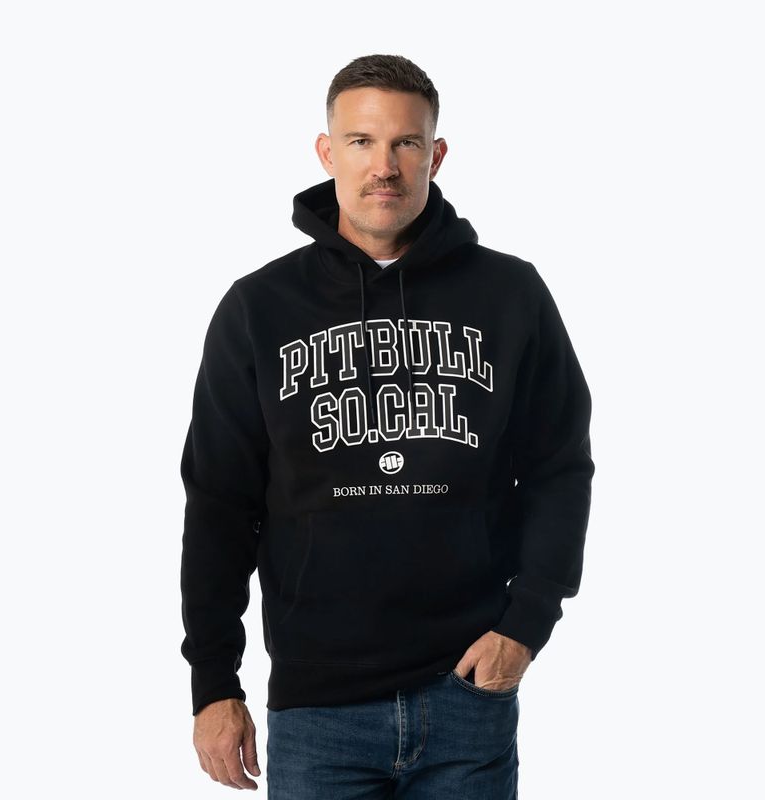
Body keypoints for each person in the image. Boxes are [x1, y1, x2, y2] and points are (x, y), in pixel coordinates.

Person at [179, 54, 595, 798]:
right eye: (362, 141)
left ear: (437, 154)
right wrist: (213, 683)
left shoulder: (510, 293)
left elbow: (559, 468)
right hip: (318, 710)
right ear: (326, 151)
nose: (385, 166)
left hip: (468, 692)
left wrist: (526, 626)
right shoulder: (259, 308)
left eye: (406, 142)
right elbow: (219, 502)